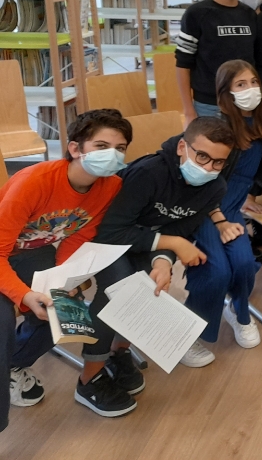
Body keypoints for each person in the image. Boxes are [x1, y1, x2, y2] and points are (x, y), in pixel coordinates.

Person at [79, 117, 234, 417]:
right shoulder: (148, 173)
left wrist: (163, 262)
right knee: (118, 290)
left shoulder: (216, 187)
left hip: (145, 242)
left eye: (219, 162)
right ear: (182, 147)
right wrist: (171, 245)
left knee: (150, 287)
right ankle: (89, 379)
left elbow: (180, 229)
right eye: (202, 156)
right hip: (107, 239)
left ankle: (118, 354)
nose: (208, 168)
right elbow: (110, 231)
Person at [0, 110, 131, 429]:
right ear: (75, 148)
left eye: (120, 148)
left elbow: (80, 233)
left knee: (62, 312)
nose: (112, 155)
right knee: (5, 321)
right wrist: (24, 295)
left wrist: (66, 276)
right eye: (101, 146)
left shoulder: (111, 186)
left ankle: (13, 365)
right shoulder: (34, 182)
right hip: (3, 252)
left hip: (33, 252)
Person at [182, 61, 262, 361]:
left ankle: (239, 311)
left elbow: (256, 171)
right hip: (206, 211)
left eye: (253, 82)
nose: (250, 90)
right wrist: (218, 215)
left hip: (233, 208)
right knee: (217, 270)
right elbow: (198, 181)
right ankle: (187, 335)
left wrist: (248, 196)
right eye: (241, 85)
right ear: (226, 93)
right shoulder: (219, 129)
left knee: (245, 263)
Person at [176, 0, 257, 122]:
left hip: (246, 101)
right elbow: (183, 64)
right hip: (209, 105)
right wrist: (188, 110)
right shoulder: (196, 14)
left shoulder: (250, 15)